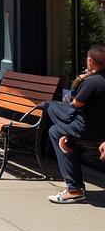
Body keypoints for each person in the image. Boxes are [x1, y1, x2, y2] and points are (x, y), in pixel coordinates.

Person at [44, 45, 105, 203]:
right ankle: (68, 139)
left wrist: (80, 81)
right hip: (100, 130)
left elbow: (75, 103)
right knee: (57, 128)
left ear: (90, 61)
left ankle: (74, 189)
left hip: (85, 129)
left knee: (50, 110)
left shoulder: (93, 81)